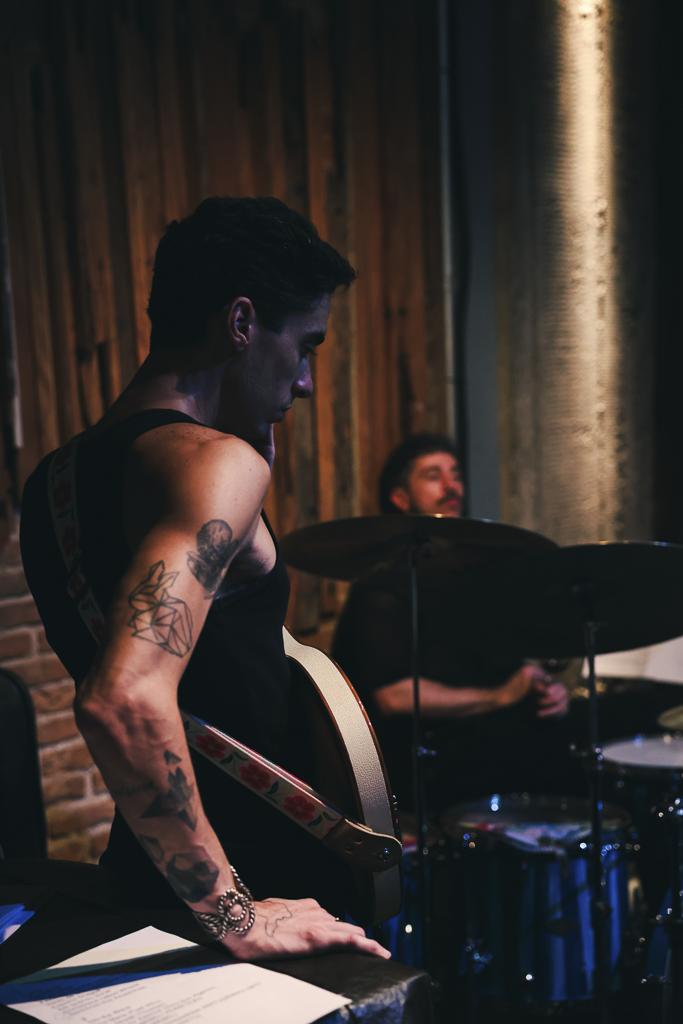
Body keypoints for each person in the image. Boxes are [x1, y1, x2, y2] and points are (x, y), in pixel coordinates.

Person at [20, 197, 388, 961]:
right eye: (305, 346)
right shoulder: (214, 466)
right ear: (241, 323)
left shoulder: (50, 481)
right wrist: (238, 917)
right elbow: (123, 698)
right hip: (257, 884)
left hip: (150, 873)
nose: (308, 381)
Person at [332, 433, 572, 814]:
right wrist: (499, 697)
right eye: (433, 475)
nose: (451, 486)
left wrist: (543, 691)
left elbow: (509, 671)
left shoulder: (474, 579)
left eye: (455, 474)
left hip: (490, 746)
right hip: (431, 770)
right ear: (400, 499)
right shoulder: (382, 587)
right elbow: (391, 697)